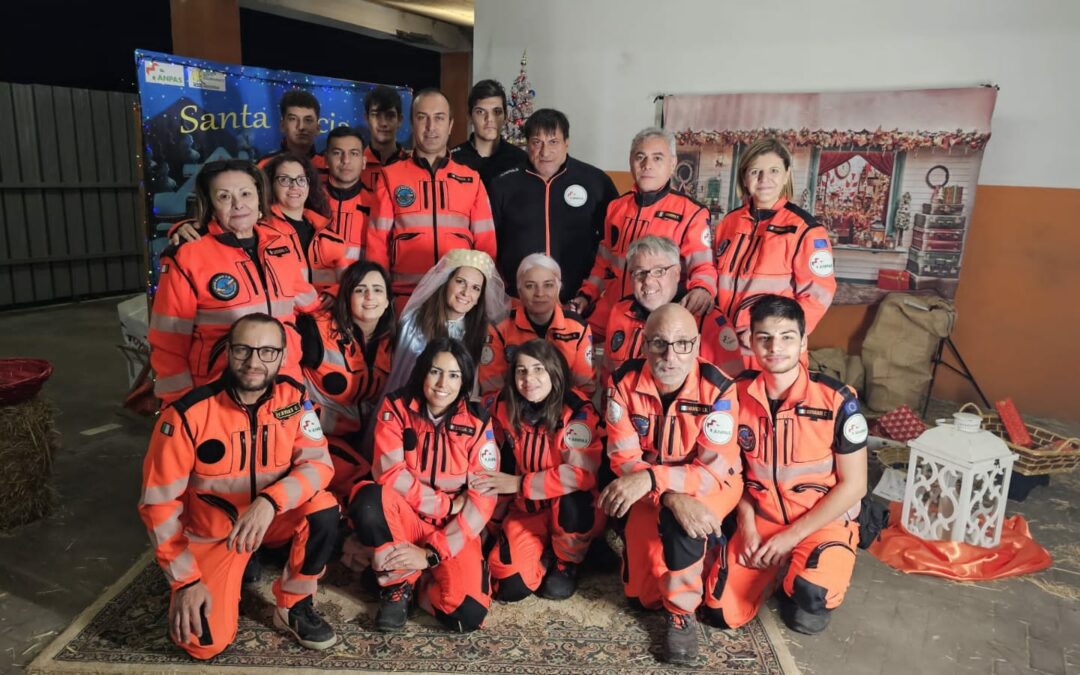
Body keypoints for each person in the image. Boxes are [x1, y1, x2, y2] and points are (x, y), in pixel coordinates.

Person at [138, 314, 339, 659]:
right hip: (214, 535)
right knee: (202, 644)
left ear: (281, 355)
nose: (253, 363)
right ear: (228, 351)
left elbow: (319, 465)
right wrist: (184, 580)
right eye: (243, 350)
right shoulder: (186, 415)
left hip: (269, 519)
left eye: (266, 352)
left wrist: (270, 501)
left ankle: (293, 604)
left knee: (323, 508)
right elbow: (158, 505)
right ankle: (216, 574)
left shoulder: (293, 398)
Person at [702, 295, 867, 635]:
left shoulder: (837, 400)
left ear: (804, 341)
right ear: (751, 341)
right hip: (763, 521)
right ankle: (777, 571)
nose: (775, 347)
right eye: (764, 337)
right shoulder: (735, 395)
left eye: (787, 337)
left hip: (823, 523)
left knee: (808, 604)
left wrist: (790, 538)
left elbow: (855, 485)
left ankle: (801, 570)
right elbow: (734, 476)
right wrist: (747, 526)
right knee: (719, 612)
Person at [599, 303, 742, 664]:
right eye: (659, 343)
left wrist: (655, 480)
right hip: (649, 490)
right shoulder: (622, 383)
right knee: (641, 597)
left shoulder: (720, 390)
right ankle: (691, 556)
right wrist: (664, 492)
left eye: (682, 344)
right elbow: (622, 457)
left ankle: (682, 614)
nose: (670, 355)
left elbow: (710, 471)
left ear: (696, 346)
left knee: (685, 523)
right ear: (644, 345)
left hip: (711, 485)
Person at [349, 338, 498, 632]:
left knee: (467, 615)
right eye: (435, 372)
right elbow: (389, 474)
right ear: (422, 373)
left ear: (465, 380)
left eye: (454, 375)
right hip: (408, 518)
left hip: (452, 527)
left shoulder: (479, 421)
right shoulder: (397, 407)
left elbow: (482, 499)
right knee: (368, 499)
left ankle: (418, 583)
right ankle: (396, 587)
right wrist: (443, 503)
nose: (443, 383)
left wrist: (431, 554)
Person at [149, 159, 320, 405]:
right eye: (224, 196)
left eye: (246, 193)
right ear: (210, 204)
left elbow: (310, 302)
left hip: (284, 382)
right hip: (219, 391)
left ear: (259, 197)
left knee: (307, 444)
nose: (238, 204)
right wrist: (182, 403)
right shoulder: (187, 256)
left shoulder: (281, 245)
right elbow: (168, 341)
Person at [480, 340, 603, 601]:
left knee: (573, 499)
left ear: (554, 372)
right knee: (508, 585)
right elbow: (495, 460)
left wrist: (520, 484)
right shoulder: (502, 405)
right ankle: (543, 553)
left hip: (570, 507)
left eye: (538, 370)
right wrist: (489, 526)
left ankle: (567, 561)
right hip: (526, 509)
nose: (529, 379)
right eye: (521, 371)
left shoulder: (578, 411)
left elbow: (582, 474)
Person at [572, 127, 717, 336]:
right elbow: (603, 264)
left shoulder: (691, 213)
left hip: (656, 321)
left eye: (657, 158)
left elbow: (703, 267)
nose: (647, 165)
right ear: (631, 161)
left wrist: (702, 288)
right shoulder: (616, 207)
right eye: (640, 157)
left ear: (673, 164)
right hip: (611, 313)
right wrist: (586, 295)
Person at [713, 138, 836, 368]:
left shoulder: (805, 230)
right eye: (755, 171)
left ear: (787, 174)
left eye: (773, 170)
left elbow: (818, 297)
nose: (764, 179)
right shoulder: (728, 224)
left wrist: (775, 338)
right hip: (723, 349)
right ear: (744, 176)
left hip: (773, 356)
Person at [366, 88, 497, 305]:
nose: (430, 127)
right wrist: (381, 296)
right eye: (422, 118)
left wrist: (478, 298)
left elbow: (486, 249)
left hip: (457, 303)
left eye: (439, 118)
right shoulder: (391, 177)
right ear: (411, 123)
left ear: (450, 125)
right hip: (405, 301)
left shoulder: (471, 179)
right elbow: (377, 245)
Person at [487, 108, 618, 300]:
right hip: (519, 300)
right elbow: (488, 245)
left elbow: (612, 242)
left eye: (553, 142)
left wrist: (592, 291)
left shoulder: (596, 182)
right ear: (526, 145)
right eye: (536, 142)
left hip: (579, 300)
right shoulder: (502, 185)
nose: (545, 151)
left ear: (567, 142)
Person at [297, 261, 395, 504]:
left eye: (378, 290)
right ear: (346, 296)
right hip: (317, 439)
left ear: (387, 301)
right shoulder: (315, 329)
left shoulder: (395, 340)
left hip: (367, 438)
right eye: (360, 289)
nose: (370, 296)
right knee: (367, 486)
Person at [604, 236, 742, 381]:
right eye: (639, 273)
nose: (648, 281)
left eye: (659, 271)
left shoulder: (708, 319)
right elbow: (609, 379)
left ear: (676, 273)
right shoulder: (619, 313)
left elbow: (731, 390)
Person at [385, 248, 508, 394]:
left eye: (475, 288)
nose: (466, 293)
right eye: (460, 282)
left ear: (479, 298)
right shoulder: (414, 322)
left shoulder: (486, 331)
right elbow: (402, 378)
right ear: (445, 283)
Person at [478, 254, 595, 395]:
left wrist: (562, 415)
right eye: (530, 286)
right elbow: (491, 391)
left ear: (558, 289)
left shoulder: (578, 328)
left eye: (548, 285)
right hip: (514, 411)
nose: (539, 293)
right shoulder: (499, 328)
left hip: (564, 411)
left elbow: (585, 389)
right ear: (520, 292)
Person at [264, 153, 349, 296]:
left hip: (325, 315)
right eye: (284, 179)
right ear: (270, 185)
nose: (294, 186)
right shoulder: (262, 231)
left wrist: (335, 293)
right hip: (286, 316)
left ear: (309, 185)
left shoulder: (327, 235)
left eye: (301, 180)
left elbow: (348, 281)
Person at [449, 79, 527, 189]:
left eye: (497, 112)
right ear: (470, 117)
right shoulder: (452, 159)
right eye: (480, 112)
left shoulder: (520, 160)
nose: (489, 119)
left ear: (505, 117)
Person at [323, 125, 372, 264]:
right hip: (315, 285)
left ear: (363, 162)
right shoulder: (310, 201)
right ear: (326, 160)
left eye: (354, 153)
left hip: (359, 284)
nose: (346, 160)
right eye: (338, 153)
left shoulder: (376, 205)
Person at [258, 90, 327, 175]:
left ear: (318, 128)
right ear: (282, 125)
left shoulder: (330, 167)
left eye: (308, 120)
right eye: (293, 119)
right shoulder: (265, 166)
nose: (301, 127)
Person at [361, 85, 410, 191]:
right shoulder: (354, 165)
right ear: (366, 119)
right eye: (376, 115)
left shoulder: (412, 164)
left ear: (400, 120)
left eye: (390, 115)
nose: (383, 123)